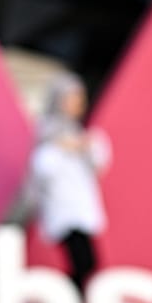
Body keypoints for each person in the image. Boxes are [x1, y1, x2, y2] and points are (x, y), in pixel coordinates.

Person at [28, 76, 109, 292]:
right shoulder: (47, 132)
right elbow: (42, 169)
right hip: (62, 209)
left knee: (87, 263)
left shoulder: (80, 133)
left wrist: (84, 147)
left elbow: (99, 162)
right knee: (83, 261)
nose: (76, 104)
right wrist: (61, 147)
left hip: (81, 207)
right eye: (71, 98)